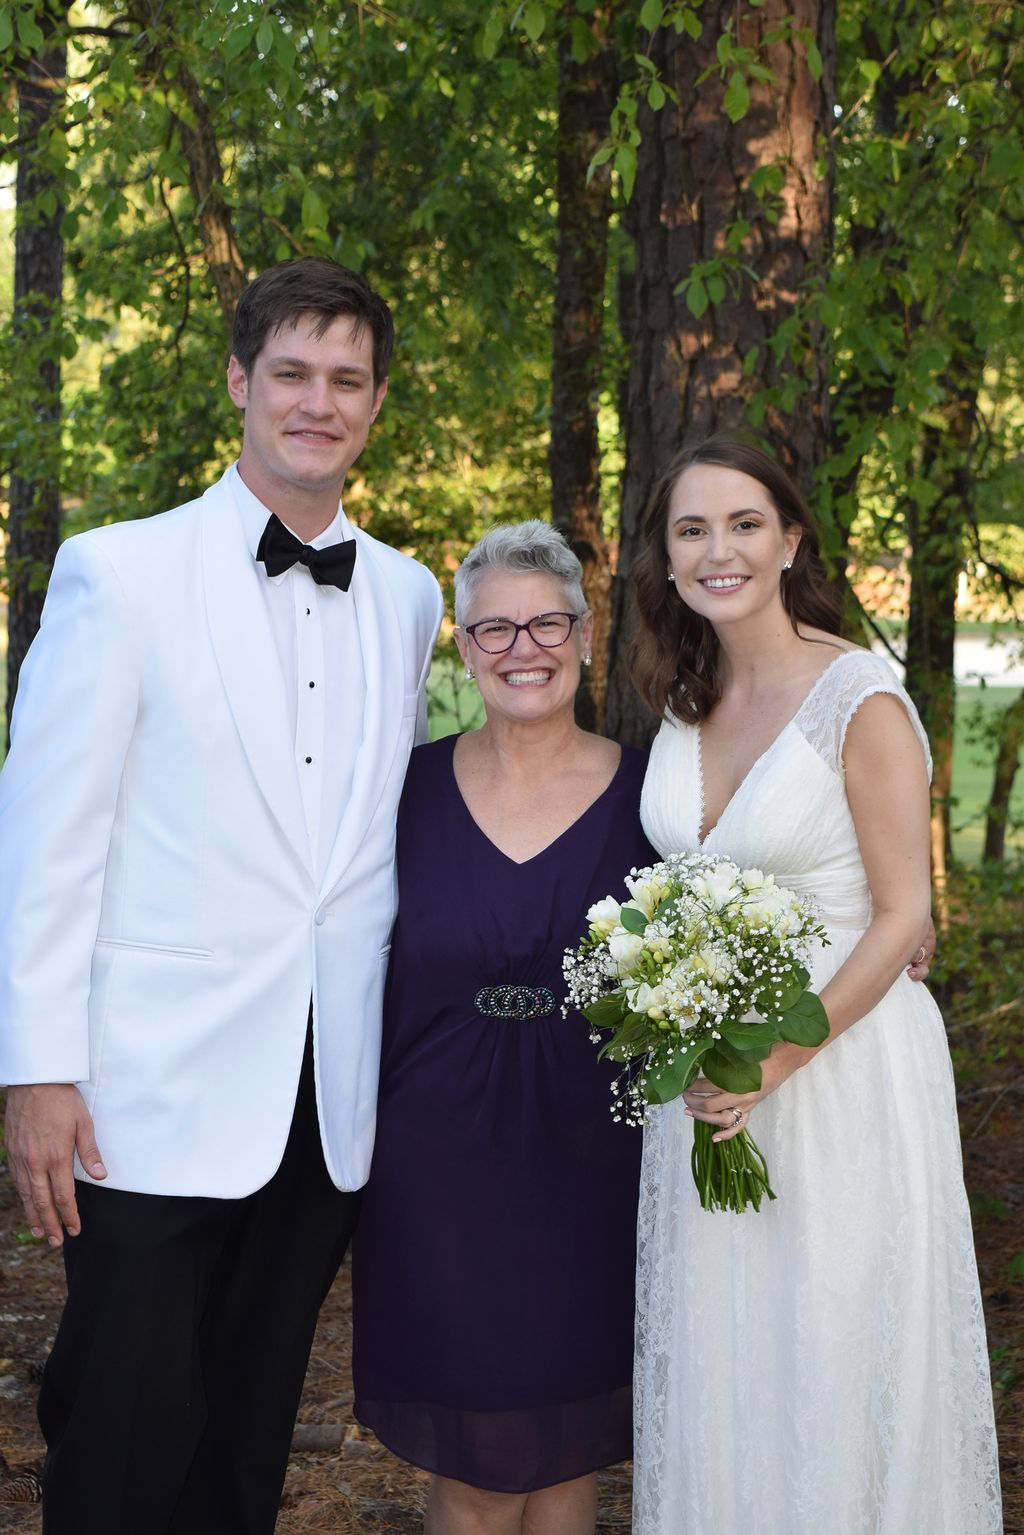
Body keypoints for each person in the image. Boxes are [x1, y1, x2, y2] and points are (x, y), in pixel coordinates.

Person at [0, 257, 444, 1535]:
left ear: (373, 405)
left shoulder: (410, 595)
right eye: (292, 373)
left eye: (346, 380)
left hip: (321, 1098)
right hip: (143, 1094)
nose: (319, 401)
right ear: (241, 383)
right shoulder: (118, 571)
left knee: (246, 1441)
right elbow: (46, 838)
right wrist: (36, 1066)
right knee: (121, 1430)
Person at [629, 434, 1002, 1533]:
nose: (717, 549)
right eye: (690, 528)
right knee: (725, 1360)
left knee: (832, 1351)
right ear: (665, 554)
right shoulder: (684, 696)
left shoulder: (857, 696)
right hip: (709, 1082)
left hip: (839, 1072)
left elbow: (904, 916)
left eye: (744, 523)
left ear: (791, 539)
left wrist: (774, 1057)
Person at [351, 522, 655, 1535]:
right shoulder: (402, 792)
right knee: (479, 1473)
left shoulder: (654, 792)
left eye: (546, 621)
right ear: (462, 644)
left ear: (583, 626)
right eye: (494, 628)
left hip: (592, 1157)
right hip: (438, 1165)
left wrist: (896, 923)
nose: (523, 647)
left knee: (570, 1457)